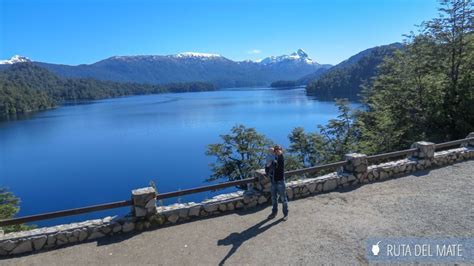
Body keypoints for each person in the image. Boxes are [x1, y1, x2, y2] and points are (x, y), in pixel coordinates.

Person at [268, 145, 288, 220]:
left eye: (279, 150)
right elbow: (269, 167)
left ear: (281, 151)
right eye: (276, 150)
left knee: (283, 199)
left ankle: (285, 214)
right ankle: (274, 213)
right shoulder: (274, 158)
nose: (278, 151)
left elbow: (275, 165)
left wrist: (273, 153)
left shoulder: (281, 158)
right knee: (273, 198)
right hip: (274, 182)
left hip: (280, 182)